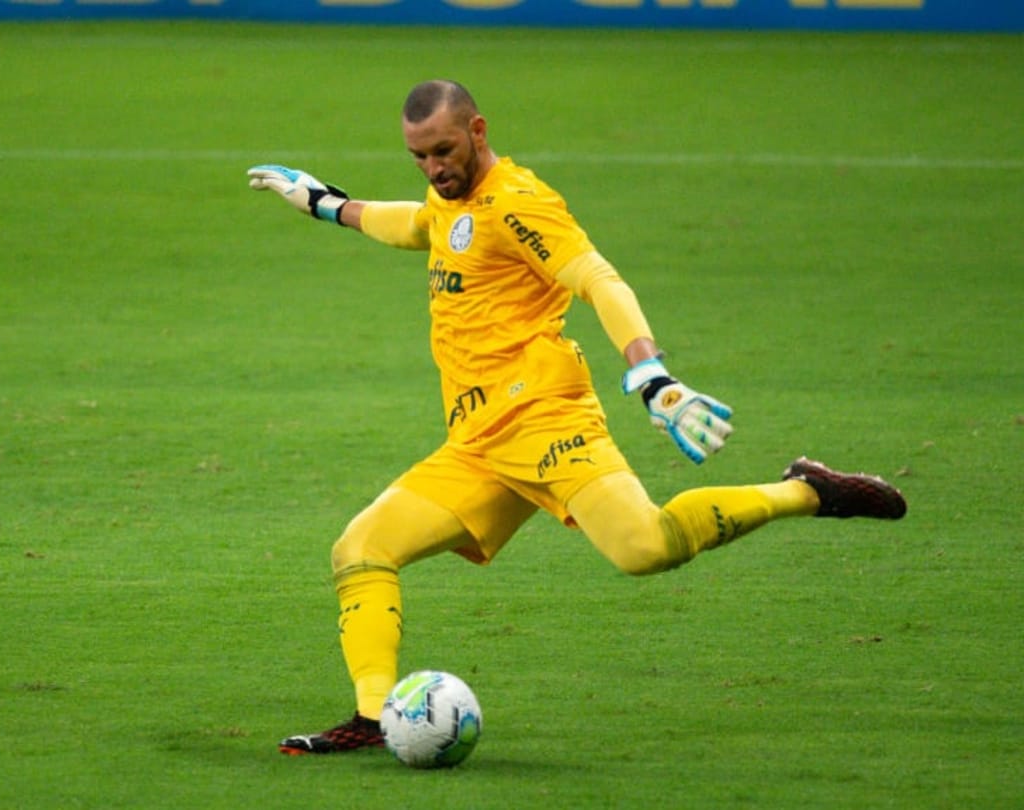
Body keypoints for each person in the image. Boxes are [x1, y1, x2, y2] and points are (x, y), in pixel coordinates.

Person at [246, 79, 906, 756]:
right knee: (360, 549)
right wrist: (327, 204)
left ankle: (806, 490)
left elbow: (597, 277)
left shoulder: (520, 203)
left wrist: (651, 375)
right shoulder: (450, 205)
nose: (433, 168)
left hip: (547, 419)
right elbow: (415, 224)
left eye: (443, 150)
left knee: (644, 548)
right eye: (418, 156)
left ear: (477, 131)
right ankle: (373, 718)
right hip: (477, 443)